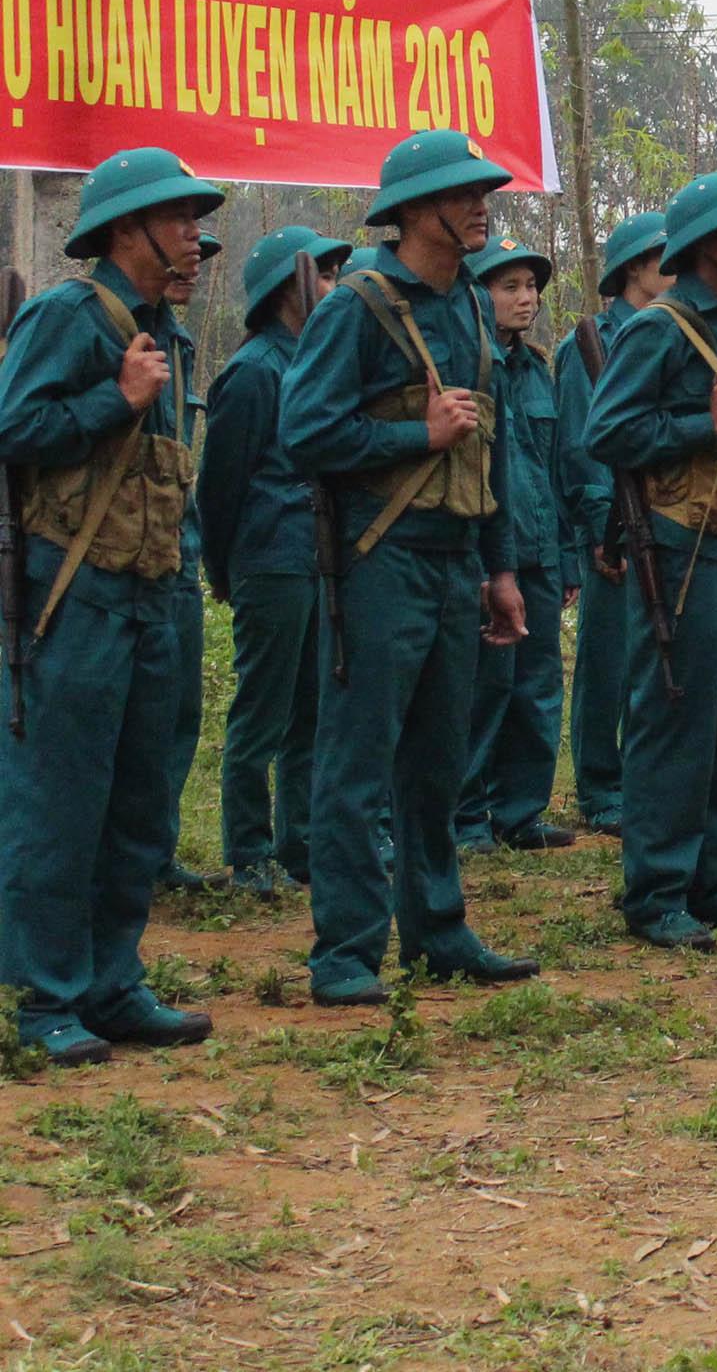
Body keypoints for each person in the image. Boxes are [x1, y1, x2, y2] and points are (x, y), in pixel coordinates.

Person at [279, 128, 538, 1006]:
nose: (481, 205)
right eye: (462, 194)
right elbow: (304, 434)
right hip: (378, 559)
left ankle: (438, 930)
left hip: (455, 556)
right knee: (357, 765)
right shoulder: (356, 306)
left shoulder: (467, 304)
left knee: (437, 762)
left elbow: (489, 443)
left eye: (482, 192)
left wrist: (500, 569)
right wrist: (412, 435)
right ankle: (345, 954)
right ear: (412, 211)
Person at [0, 148, 222, 1061]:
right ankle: (47, 999)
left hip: (149, 592)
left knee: (140, 802)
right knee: (61, 800)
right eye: (176, 221)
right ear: (125, 230)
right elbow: (13, 429)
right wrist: (112, 398)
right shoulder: (68, 315)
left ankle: (112, 982)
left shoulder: (164, 328)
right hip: (73, 598)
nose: (193, 237)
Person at [583, 172, 717, 950]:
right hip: (678, 554)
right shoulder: (659, 329)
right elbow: (609, 434)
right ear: (708, 244)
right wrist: (696, 424)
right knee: (675, 722)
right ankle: (656, 892)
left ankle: (711, 880)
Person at [199, 224, 348, 896]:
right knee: (261, 713)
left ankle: (302, 847)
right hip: (272, 562)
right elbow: (220, 486)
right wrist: (226, 570)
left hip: (314, 562)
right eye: (326, 275)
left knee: (311, 713)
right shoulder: (253, 373)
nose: (336, 287)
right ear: (292, 287)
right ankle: (250, 853)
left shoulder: (312, 365)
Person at [454, 238, 574, 854]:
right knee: (483, 687)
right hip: (483, 555)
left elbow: (555, 467)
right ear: (477, 294)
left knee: (538, 685)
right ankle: (467, 817)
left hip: (540, 553)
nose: (526, 299)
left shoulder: (538, 368)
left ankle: (519, 812)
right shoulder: (467, 367)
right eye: (510, 287)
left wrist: (568, 553)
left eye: (531, 286)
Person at [554, 212, 670, 835]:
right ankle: (600, 786)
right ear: (633, 269)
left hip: (665, 517)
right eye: (662, 258)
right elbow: (580, 441)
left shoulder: (671, 330)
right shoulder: (590, 343)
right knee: (604, 660)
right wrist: (603, 525)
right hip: (610, 524)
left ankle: (640, 780)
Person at [154, 228, 216, 893]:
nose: (191, 268)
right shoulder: (101, 329)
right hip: (118, 565)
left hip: (178, 558)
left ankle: (156, 853)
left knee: (176, 717)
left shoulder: (182, 345)